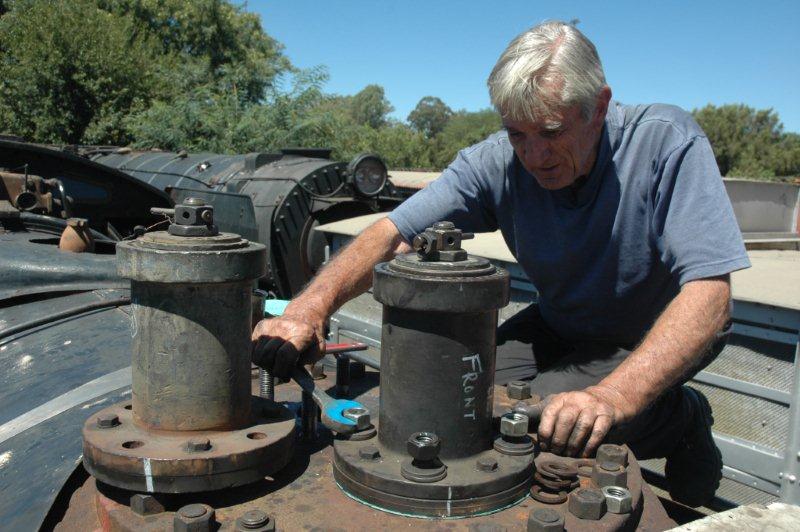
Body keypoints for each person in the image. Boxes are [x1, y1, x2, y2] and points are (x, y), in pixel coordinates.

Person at [251, 21, 750, 507]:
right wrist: (307, 310)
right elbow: (389, 233)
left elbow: (710, 294)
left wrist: (613, 397)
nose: (533, 156)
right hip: (562, 322)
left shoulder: (665, 143)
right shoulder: (496, 162)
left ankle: (681, 418)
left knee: (550, 424)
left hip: (653, 331)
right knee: (458, 395)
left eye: (550, 132)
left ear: (598, 108)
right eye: (517, 134)